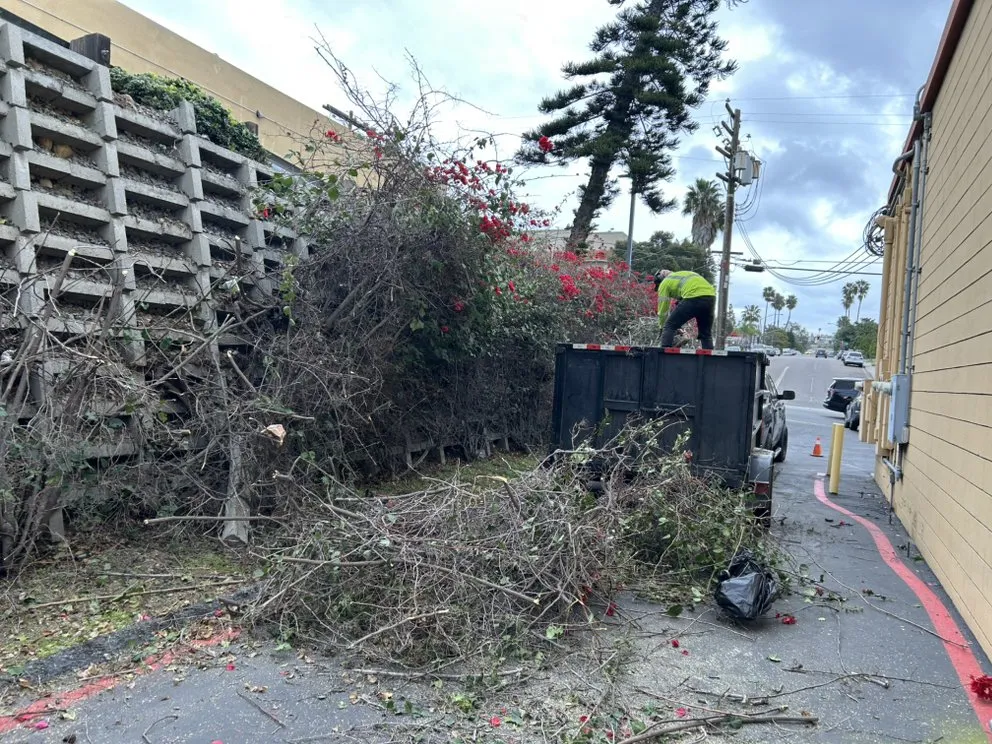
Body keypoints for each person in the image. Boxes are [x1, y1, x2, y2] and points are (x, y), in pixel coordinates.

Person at [654, 269, 717, 350]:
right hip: (710, 298)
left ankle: (664, 352)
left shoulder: (664, 283)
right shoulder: (683, 275)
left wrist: (662, 327)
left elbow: (663, 310)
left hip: (693, 297)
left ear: (660, 279)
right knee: (705, 333)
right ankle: (709, 355)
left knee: (670, 325)